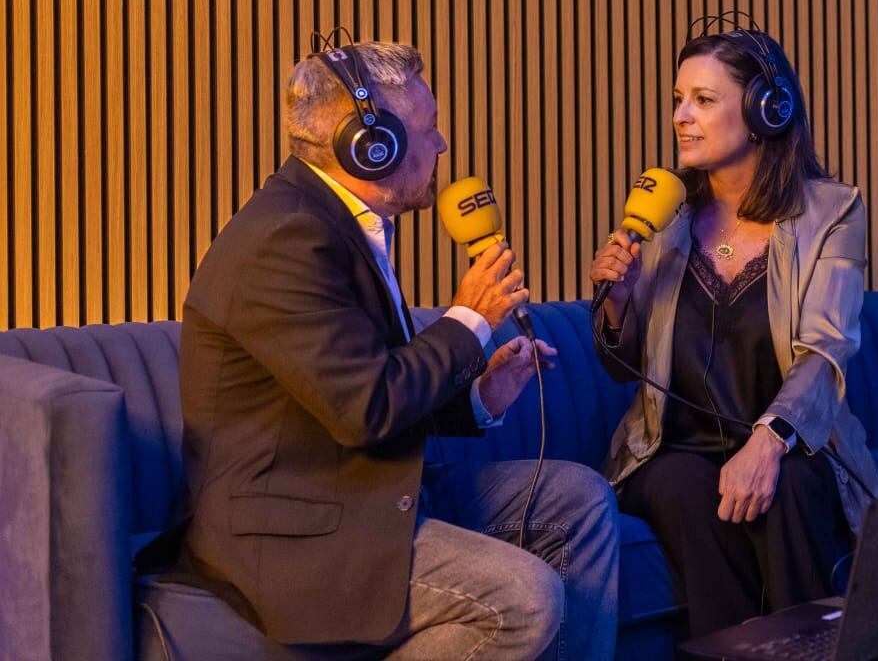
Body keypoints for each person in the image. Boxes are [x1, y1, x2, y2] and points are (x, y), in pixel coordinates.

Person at [172, 39, 618, 659]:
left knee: (578, 499)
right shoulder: (285, 240)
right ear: (369, 143)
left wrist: (482, 394)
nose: (440, 147)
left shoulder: (340, 223)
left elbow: (376, 383)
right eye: (428, 130)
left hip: (370, 491)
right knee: (523, 597)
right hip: (298, 533)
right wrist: (469, 318)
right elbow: (365, 407)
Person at [589, 21, 878, 638]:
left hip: (793, 437)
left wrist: (768, 440)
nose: (681, 116)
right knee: (683, 493)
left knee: (790, 490)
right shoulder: (664, 220)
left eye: (703, 100)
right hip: (672, 448)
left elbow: (826, 349)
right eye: (679, 100)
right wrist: (618, 304)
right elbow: (621, 369)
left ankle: (811, 650)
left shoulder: (830, 212)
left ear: (766, 109)